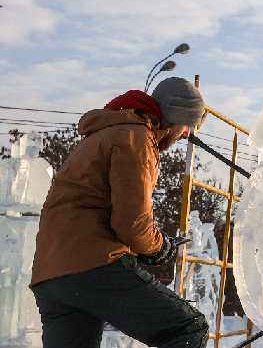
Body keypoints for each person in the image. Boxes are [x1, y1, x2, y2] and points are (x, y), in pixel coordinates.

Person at [30, 77, 210, 348]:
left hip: (51, 273)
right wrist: (160, 248)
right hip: (92, 263)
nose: (187, 134)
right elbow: (132, 224)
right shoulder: (135, 138)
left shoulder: (107, 133)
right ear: (174, 115)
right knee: (188, 327)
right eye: (188, 124)